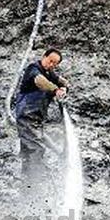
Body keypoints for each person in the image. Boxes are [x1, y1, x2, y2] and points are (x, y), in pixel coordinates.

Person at [15, 48, 69, 179]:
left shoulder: (49, 73)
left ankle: (27, 177)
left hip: (37, 117)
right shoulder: (33, 69)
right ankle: (35, 180)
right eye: (50, 61)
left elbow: (64, 82)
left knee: (30, 146)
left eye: (55, 64)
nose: (51, 65)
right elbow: (40, 82)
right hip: (26, 116)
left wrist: (64, 88)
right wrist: (56, 89)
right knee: (35, 148)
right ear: (44, 56)